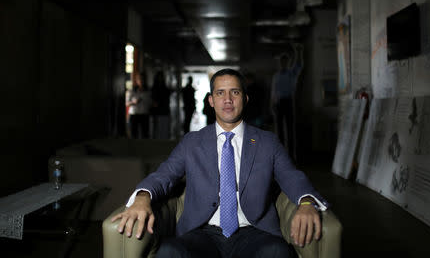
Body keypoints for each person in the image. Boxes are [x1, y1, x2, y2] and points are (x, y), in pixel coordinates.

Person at [112, 69, 328, 258]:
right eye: (220, 93)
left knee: (278, 252)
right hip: (202, 232)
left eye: (235, 92)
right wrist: (142, 197)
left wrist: (307, 202)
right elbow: (164, 176)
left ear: (245, 98)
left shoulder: (267, 142)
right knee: (170, 252)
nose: (227, 99)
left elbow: (291, 176)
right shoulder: (192, 142)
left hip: (253, 232)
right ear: (211, 101)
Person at [270, 43, 304, 160]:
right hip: (279, 103)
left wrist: (298, 52)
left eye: (284, 61)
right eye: (281, 62)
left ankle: (291, 155)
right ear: (279, 63)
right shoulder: (276, 76)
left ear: (287, 62)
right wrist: (273, 104)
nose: (282, 63)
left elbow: (299, 64)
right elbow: (274, 92)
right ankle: (281, 155)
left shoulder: (291, 73)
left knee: (290, 129)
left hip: (288, 101)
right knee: (279, 130)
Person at [126, 73, 151, 139]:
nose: (141, 81)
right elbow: (127, 103)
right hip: (134, 114)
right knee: (134, 134)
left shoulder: (148, 91)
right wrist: (134, 102)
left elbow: (150, 102)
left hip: (144, 114)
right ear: (136, 80)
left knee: (145, 134)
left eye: (142, 79)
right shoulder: (132, 91)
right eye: (139, 79)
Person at [151, 71, 171, 139]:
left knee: (163, 128)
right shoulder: (155, 89)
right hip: (157, 111)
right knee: (157, 128)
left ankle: (162, 139)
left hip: (163, 111)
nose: (160, 79)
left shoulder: (164, 89)